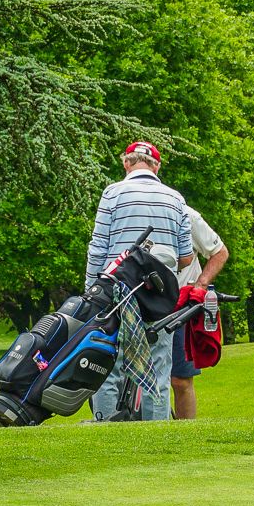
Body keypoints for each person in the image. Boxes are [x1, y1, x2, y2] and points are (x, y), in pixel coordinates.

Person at [86, 141, 194, 421]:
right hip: (159, 294)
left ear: (126, 163)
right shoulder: (176, 198)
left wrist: (91, 290)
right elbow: (185, 257)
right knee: (158, 365)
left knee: (108, 360)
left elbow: (98, 247)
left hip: (116, 288)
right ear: (156, 166)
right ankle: (156, 427)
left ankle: (105, 424)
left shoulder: (112, 193)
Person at [170, 205, 230, 420]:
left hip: (180, 306)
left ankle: (186, 435)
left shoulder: (187, 215)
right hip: (144, 304)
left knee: (180, 379)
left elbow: (219, 252)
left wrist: (201, 285)